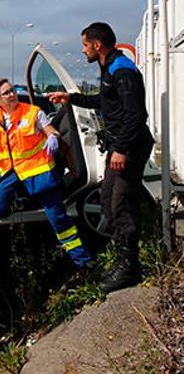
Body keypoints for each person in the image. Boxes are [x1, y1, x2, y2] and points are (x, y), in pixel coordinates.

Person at [48, 22, 153, 292]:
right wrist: (70, 98)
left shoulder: (123, 70)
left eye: (85, 45)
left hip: (129, 148)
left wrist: (121, 149)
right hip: (120, 146)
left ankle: (129, 269)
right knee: (108, 201)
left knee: (120, 205)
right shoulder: (109, 68)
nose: (83, 51)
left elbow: (136, 116)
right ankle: (122, 261)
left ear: (97, 45)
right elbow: (104, 102)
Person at [0, 78, 93, 268]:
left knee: (57, 217)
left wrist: (53, 137)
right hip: (8, 172)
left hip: (36, 170)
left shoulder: (33, 112)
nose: (12, 95)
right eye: (7, 93)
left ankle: (82, 260)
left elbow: (51, 130)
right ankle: (22, 200)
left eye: (12, 90)